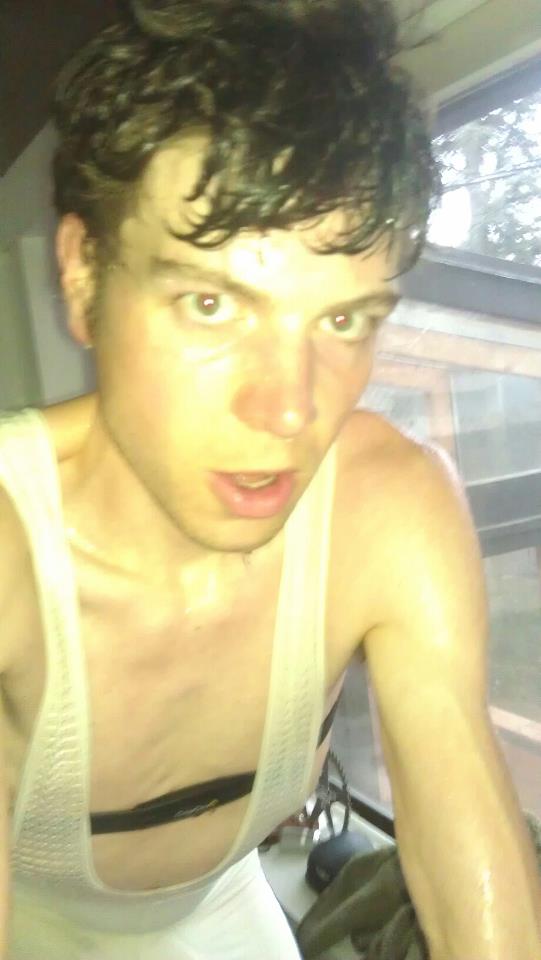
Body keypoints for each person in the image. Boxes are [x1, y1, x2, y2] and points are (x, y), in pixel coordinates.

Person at [0, 0, 539, 957]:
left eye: (342, 320)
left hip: (226, 909)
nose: (289, 411)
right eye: (210, 304)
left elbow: (470, 856)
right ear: (83, 276)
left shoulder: (389, 507)